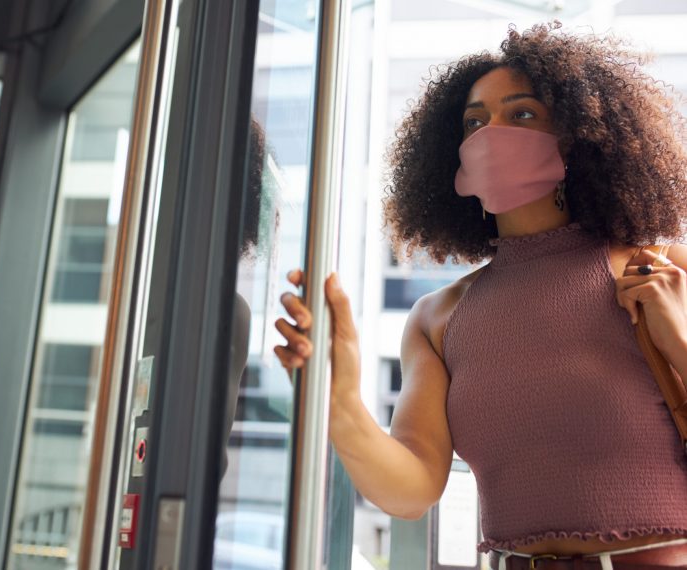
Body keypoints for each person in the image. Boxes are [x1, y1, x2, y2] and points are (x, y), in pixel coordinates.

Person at [274, 22, 687, 570]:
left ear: (578, 137)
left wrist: (679, 343)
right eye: (475, 121)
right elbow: (411, 491)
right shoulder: (437, 318)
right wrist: (340, 403)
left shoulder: (665, 273)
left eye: (521, 114)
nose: (491, 133)